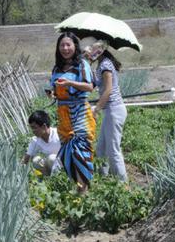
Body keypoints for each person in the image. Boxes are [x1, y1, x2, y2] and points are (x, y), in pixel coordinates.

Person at [50, 32, 96, 193]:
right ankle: (79, 189)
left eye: (68, 44)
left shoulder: (82, 65)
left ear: (75, 46)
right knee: (67, 154)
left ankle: (83, 191)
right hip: (63, 115)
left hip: (80, 112)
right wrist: (52, 93)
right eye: (62, 45)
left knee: (81, 151)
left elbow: (89, 86)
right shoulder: (56, 68)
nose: (65, 48)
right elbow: (54, 88)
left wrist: (70, 82)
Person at [85, 38, 128, 182]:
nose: (91, 52)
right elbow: (92, 85)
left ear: (99, 51)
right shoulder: (101, 64)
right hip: (110, 111)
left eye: (93, 50)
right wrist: (85, 62)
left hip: (114, 110)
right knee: (102, 148)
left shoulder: (105, 65)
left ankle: (123, 185)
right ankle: (103, 179)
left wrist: (96, 109)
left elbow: (108, 90)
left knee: (113, 151)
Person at [21, 110, 61, 175]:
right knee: (36, 160)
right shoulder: (35, 140)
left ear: (44, 126)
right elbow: (27, 157)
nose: (33, 131)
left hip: (64, 164)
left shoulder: (59, 134)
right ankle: (49, 177)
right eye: (31, 128)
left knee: (52, 158)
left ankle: (57, 178)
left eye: (34, 128)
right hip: (50, 165)